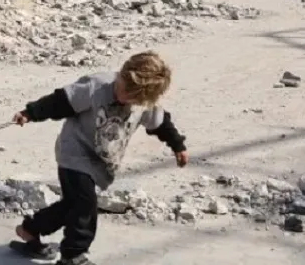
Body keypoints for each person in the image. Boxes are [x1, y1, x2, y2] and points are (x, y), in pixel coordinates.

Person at [10, 51, 189, 264]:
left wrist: (177, 145)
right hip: (74, 153)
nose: (122, 96)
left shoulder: (145, 104)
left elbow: (161, 124)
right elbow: (60, 101)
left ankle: (30, 229)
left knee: (73, 204)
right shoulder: (97, 86)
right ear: (121, 74)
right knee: (85, 205)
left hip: (100, 162)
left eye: (130, 96)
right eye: (122, 87)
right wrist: (30, 113)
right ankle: (73, 255)